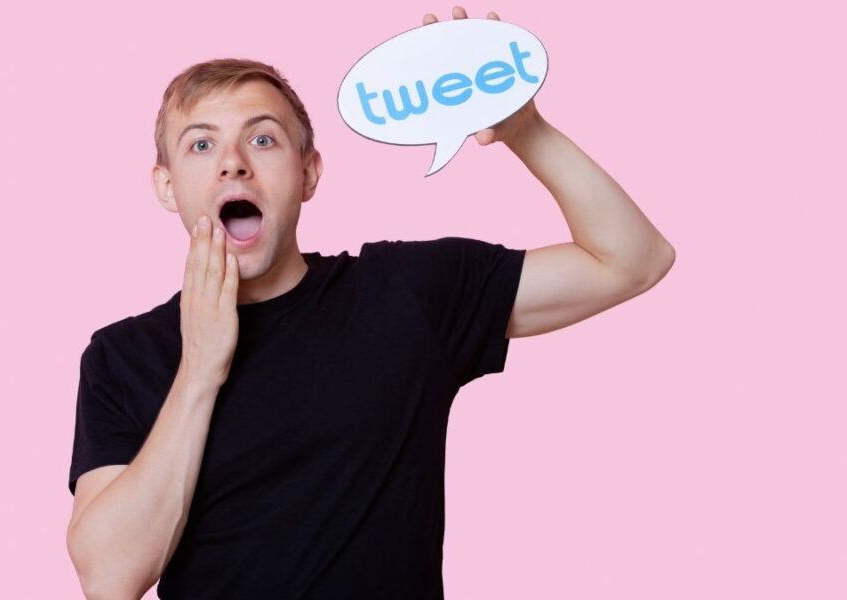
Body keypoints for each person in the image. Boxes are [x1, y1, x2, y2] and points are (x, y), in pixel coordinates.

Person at [65, 7, 675, 599]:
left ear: (308, 174)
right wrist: (200, 368)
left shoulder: (407, 292)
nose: (233, 165)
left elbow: (632, 259)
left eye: (263, 138)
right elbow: (109, 579)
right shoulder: (122, 358)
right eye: (201, 146)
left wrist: (524, 129)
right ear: (167, 187)